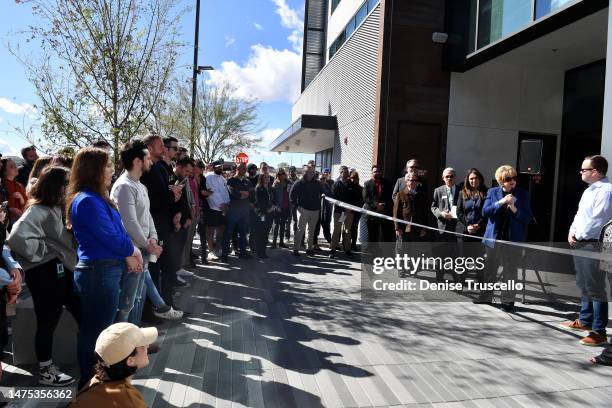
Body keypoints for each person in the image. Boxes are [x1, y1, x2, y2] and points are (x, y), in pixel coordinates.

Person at [66, 147, 143, 386]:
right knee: (96, 333)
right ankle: (90, 385)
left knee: (99, 329)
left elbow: (115, 233)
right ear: (94, 170)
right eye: (107, 165)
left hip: (106, 269)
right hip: (99, 272)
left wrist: (129, 253)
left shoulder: (97, 197)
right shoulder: (88, 200)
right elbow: (110, 237)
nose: (112, 169)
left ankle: (97, 383)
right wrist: (132, 251)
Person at [7, 166, 80, 386]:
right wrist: (46, 251)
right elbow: (17, 238)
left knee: (80, 311)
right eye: (68, 184)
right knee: (48, 320)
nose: (71, 188)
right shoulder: (38, 210)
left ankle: (99, 355)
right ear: (57, 186)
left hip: (59, 270)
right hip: (46, 273)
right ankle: (46, 370)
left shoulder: (55, 207)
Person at [110, 140, 164, 325]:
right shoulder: (124, 186)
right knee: (127, 304)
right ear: (137, 161)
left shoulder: (141, 186)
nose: (151, 160)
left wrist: (154, 238)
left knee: (138, 300)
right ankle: (125, 347)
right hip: (132, 252)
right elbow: (129, 222)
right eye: (147, 157)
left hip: (144, 249)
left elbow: (147, 216)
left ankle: (136, 342)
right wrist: (148, 243)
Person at [561, 155, 612, 346]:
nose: (581, 172)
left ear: (595, 172)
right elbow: (580, 214)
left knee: (595, 287)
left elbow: (597, 220)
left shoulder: (606, 191)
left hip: (593, 244)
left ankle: (599, 331)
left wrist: (579, 235)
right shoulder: (589, 191)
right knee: (583, 283)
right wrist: (571, 232)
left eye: (584, 169)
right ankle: (585, 320)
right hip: (582, 241)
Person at [475, 165, 532, 312]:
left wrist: (514, 208)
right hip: (493, 239)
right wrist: (500, 202)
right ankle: (485, 296)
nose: (512, 181)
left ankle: (508, 301)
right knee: (490, 269)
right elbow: (485, 212)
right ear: (501, 181)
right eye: (508, 179)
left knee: (510, 271)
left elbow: (527, 218)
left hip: (512, 239)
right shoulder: (492, 192)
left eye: (514, 178)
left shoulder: (523, 194)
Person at [140, 134, 183, 313]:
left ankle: (165, 304)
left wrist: (175, 201)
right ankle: (156, 309)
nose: (164, 149)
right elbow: (153, 201)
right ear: (150, 148)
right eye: (160, 146)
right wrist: (172, 196)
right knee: (156, 267)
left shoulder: (160, 169)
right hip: (154, 227)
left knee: (165, 266)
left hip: (162, 225)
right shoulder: (150, 171)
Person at [70, 322, 157, 407]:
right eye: (142, 345)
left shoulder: (97, 380)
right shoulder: (130, 402)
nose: (148, 346)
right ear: (130, 361)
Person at [457, 168, 488, 281]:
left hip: (480, 232)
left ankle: (480, 282)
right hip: (465, 231)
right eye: (471, 178)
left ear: (480, 179)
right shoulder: (462, 193)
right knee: (463, 259)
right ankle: (460, 281)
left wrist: (478, 225)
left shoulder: (487, 192)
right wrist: (468, 225)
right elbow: (459, 212)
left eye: (475, 178)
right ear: (468, 180)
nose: (473, 180)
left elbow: (486, 212)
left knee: (480, 259)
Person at [431, 167, 460, 282]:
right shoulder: (438, 190)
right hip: (441, 228)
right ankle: (439, 279)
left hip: (456, 228)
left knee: (455, 257)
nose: (449, 178)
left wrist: (456, 214)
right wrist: (441, 214)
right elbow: (433, 207)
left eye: (451, 176)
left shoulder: (461, 191)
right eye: (447, 176)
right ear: (443, 178)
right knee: (440, 256)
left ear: (455, 177)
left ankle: (456, 280)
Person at [222, 162, 254, 262]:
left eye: (245, 168)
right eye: (242, 168)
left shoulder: (247, 181)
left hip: (244, 212)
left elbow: (252, 193)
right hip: (233, 211)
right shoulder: (231, 180)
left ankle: (243, 253)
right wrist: (242, 194)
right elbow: (232, 193)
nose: (244, 170)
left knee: (243, 233)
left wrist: (243, 193)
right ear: (237, 169)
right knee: (228, 233)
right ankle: (224, 255)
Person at [290, 167, 323, 256]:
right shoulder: (299, 183)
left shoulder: (317, 183)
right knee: (300, 230)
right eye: (309, 172)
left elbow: (322, 192)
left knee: (311, 231)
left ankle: (309, 249)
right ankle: (296, 249)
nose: (311, 173)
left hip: (315, 210)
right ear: (304, 172)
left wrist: (323, 195)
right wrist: (297, 207)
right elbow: (292, 195)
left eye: (312, 172)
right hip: (303, 210)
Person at [363, 165, 394, 248]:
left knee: (385, 235)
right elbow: (366, 198)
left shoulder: (387, 183)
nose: (377, 173)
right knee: (372, 235)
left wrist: (384, 205)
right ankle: (372, 253)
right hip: (372, 214)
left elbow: (391, 196)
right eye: (375, 171)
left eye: (378, 171)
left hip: (384, 212)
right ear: (372, 173)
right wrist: (376, 205)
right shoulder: (367, 184)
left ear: (381, 172)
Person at [173, 158, 194, 282]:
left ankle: (178, 268)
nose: (188, 174)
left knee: (181, 245)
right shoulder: (171, 178)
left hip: (185, 220)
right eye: (187, 171)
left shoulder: (184, 179)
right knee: (174, 248)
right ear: (179, 167)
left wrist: (189, 217)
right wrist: (181, 218)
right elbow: (174, 202)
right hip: (176, 221)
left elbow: (186, 201)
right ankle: (173, 274)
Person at [330, 166, 357, 258]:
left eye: (346, 172)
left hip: (349, 213)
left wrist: (350, 208)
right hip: (339, 213)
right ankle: (332, 250)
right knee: (337, 230)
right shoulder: (336, 184)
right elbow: (333, 198)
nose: (345, 174)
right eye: (343, 172)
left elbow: (355, 198)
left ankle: (347, 249)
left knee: (347, 231)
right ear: (340, 173)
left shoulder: (352, 185)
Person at [205, 160, 230, 260]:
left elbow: (225, 192)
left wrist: (227, 204)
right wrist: (221, 205)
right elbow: (211, 194)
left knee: (221, 230)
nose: (220, 168)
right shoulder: (208, 177)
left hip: (223, 209)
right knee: (210, 231)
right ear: (214, 167)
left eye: (221, 167)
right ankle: (210, 251)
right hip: (213, 208)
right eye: (218, 167)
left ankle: (218, 249)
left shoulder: (223, 178)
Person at [393, 172, 428, 243]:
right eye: (412, 180)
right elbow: (396, 213)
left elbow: (425, 213)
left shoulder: (422, 195)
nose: (414, 182)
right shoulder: (400, 194)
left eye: (415, 181)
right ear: (407, 181)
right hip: (404, 229)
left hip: (417, 229)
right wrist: (397, 228)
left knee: (415, 252)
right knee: (403, 252)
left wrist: (424, 228)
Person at [254, 174, 275, 258]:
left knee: (266, 233)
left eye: (268, 177)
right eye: (265, 177)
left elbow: (275, 199)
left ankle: (263, 251)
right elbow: (257, 202)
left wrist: (274, 206)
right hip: (262, 214)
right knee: (261, 233)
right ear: (261, 179)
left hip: (270, 214)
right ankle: (260, 252)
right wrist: (266, 210)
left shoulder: (272, 189)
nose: (267, 179)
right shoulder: (258, 188)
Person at [1, 158, 28, 223]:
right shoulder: (2, 185)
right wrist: (10, 209)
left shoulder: (19, 185)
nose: (16, 167)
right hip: (6, 221)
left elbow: (26, 203)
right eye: (11, 166)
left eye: (15, 165)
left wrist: (21, 198)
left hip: (21, 218)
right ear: (4, 171)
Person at [271, 168, 291, 249]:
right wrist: (276, 206)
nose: (282, 175)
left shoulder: (288, 182)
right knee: (276, 225)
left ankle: (281, 242)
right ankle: (274, 242)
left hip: (286, 207)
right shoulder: (276, 183)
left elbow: (292, 189)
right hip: (278, 207)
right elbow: (272, 196)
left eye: (283, 173)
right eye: (280, 174)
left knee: (283, 225)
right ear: (277, 175)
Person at [314, 168, 333, 249]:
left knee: (326, 227)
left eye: (324, 178)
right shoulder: (315, 186)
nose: (322, 180)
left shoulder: (327, 186)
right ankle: (314, 244)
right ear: (319, 179)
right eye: (321, 178)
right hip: (316, 211)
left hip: (326, 210)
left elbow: (332, 195)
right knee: (316, 228)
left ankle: (331, 242)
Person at [348, 170, 364, 251]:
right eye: (352, 178)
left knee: (354, 228)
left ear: (358, 179)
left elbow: (362, 200)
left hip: (356, 212)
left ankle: (353, 244)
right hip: (347, 211)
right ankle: (346, 243)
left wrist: (357, 207)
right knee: (347, 228)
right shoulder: (348, 187)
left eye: (355, 178)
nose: (353, 179)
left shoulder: (361, 189)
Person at [286, 166, 298, 241]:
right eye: (291, 171)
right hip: (288, 203)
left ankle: (296, 236)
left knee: (295, 220)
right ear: (289, 172)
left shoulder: (298, 180)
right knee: (288, 220)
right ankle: (287, 236)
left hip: (296, 203)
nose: (292, 172)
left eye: (293, 171)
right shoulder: (287, 180)